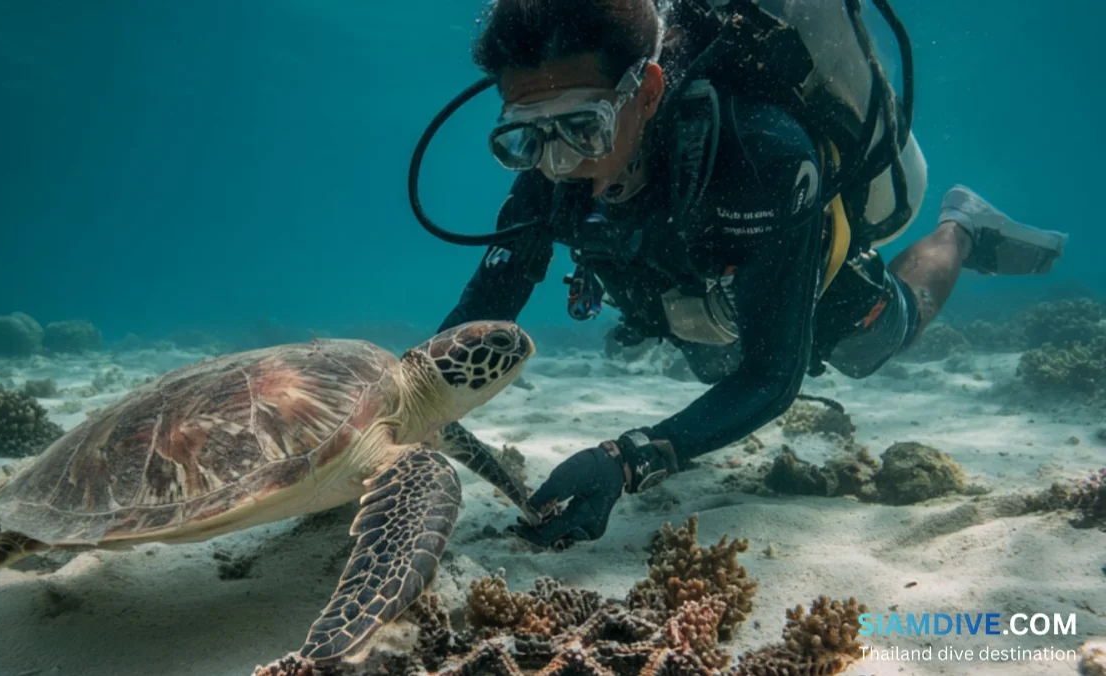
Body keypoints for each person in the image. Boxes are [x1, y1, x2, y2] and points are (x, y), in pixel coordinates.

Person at [425, 0, 1068, 550]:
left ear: (647, 91)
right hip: (691, 299)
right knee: (711, 365)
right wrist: (405, 404)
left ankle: (962, 225)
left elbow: (770, 376)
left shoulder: (762, 155)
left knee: (876, 339)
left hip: (807, 280)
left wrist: (628, 459)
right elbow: (484, 315)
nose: (557, 164)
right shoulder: (547, 170)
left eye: (582, 128)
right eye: (525, 138)